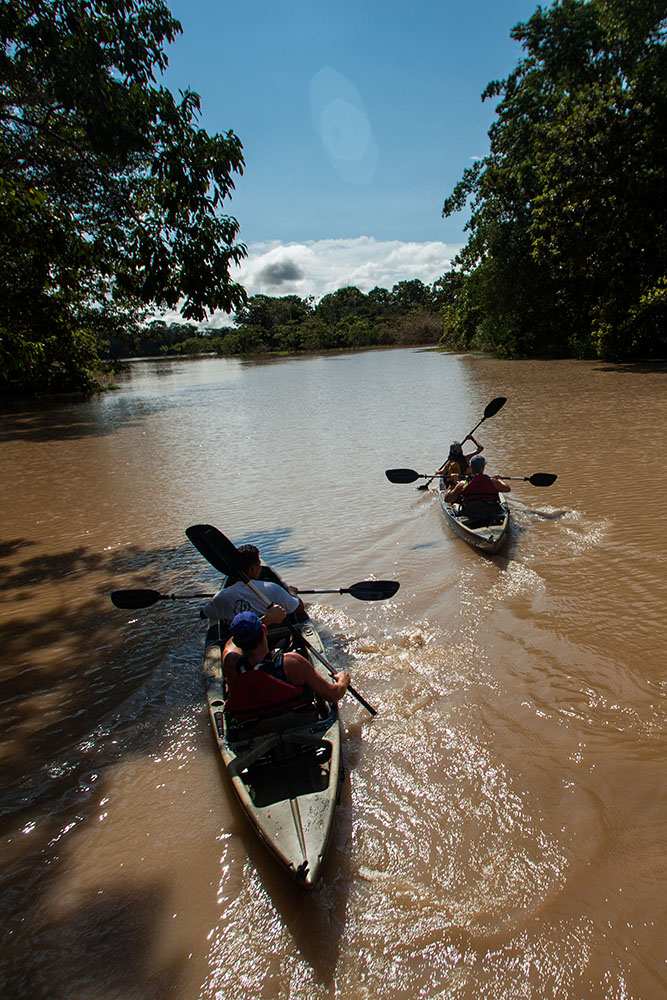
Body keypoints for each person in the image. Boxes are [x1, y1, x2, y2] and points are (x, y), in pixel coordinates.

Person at [223, 611, 350, 707]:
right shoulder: (292, 663)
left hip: (254, 725)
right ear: (264, 630)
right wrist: (343, 680)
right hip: (293, 719)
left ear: (238, 642)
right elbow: (334, 695)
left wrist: (263, 622)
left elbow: (230, 645)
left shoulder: (231, 665)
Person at [200, 543, 304, 631]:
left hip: (242, 642)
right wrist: (292, 592)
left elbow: (203, 614)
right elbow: (299, 608)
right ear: (253, 568)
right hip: (275, 633)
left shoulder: (223, 596)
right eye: (259, 564)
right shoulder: (272, 588)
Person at [444, 454, 510, 507]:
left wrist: (452, 483)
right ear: (483, 467)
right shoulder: (493, 482)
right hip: (490, 510)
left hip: (470, 512)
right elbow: (507, 489)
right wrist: (499, 480)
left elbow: (447, 499)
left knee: (454, 505)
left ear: (470, 467)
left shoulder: (462, 484)